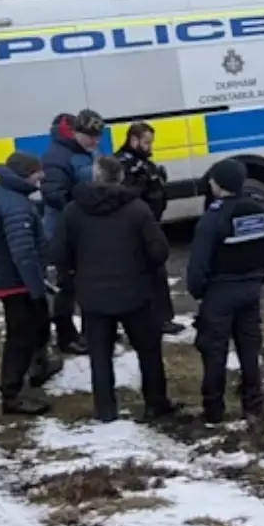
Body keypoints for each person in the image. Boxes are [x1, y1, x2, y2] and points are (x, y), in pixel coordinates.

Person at [48, 154, 174, 423]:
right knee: (149, 351)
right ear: (120, 178)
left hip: (93, 297)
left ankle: (105, 410)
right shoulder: (137, 209)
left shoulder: (73, 211)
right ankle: (156, 404)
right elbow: (159, 251)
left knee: (100, 356)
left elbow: (58, 252)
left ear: (95, 177)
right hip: (135, 294)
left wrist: (75, 272)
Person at [187, 159, 264, 424]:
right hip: (250, 290)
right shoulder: (259, 211)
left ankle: (214, 410)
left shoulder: (213, 219)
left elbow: (198, 265)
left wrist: (199, 292)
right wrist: (257, 281)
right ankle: (253, 406)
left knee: (214, 352)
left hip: (219, 293)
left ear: (219, 185)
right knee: (249, 350)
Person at [0, 151, 54, 416]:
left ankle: (39, 367)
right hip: (16, 283)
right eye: (38, 172)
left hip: (11, 278)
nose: (42, 176)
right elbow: (23, 254)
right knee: (20, 337)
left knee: (38, 325)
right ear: (25, 175)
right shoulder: (17, 207)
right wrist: (37, 288)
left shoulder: (3, 193)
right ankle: (11, 395)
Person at [41, 109, 105, 355]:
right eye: (91, 136)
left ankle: (93, 331)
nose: (96, 141)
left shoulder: (87, 152)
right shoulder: (56, 156)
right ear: (77, 132)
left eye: (98, 136)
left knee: (90, 281)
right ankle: (66, 336)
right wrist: (85, 207)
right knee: (67, 286)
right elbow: (54, 195)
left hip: (87, 227)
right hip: (64, 230)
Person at [118, 121, 183, 336]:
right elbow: (126, 197)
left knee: (156, 274)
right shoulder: (126, 166)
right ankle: (158, 319)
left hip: (152, 224)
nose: (150, 146)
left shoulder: (142, 163)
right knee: (151, 275)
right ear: (134, 140)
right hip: (140, 230)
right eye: (147, 142)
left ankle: (161, 317)